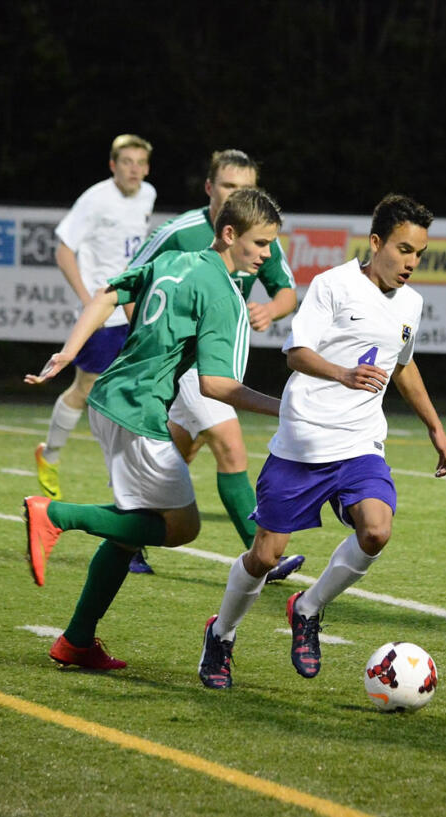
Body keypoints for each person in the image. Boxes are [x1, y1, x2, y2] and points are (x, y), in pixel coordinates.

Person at [198, 193, 446, 690]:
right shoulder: (331, 286)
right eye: (403, 250)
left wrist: (435, 427)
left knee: (377, 531)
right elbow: (295, 353)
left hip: (360, 444)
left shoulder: (411, 302)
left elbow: (403, 365)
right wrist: (342, 374)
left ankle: (308, 607)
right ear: (376, 242)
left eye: (419, 254)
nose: (411, 263)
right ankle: (222, 634)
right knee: (265, 557)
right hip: (303, 443)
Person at [22, 188, 283, 670]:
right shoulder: (221, 291)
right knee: (183, 527)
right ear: (230, 235)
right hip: (139, 411)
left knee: (127, 531)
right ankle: (56, 514)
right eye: (261, 244)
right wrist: (285, 407)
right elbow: (217, 385)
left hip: (112, 396)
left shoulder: (176, 260)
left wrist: (69, 350)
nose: (267, 256)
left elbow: (109, 293)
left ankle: (77, 640)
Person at [123, 148, 303, 581]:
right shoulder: (179, 232)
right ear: (209, 188)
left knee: (178, 453)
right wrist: (157, 345)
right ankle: (262, 558)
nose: (235, 194)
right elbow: (130, 286)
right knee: (229, 443)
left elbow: (286, 292)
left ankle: (126, 537)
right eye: (227, 186)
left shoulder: (258, 234)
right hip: (185, 363)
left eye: (244, 188)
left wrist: (270, 312)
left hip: (210, 359)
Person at [34, 134, 156, 503]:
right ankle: (50, 455)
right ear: (112, 165)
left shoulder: (148, 194)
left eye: (140, 163)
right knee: (87, 388)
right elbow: (64, 251)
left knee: (132, 390)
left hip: (132, 308)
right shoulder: (96, 198)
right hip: (104, 312)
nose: (134, 169)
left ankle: (127, 482)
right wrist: (91, 302)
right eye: (127, 162)